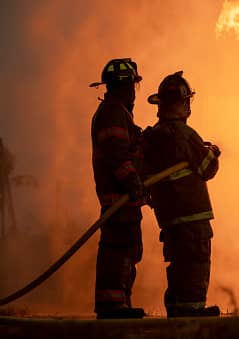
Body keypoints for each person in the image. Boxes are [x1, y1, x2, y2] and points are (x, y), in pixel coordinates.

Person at [142, 71, 221, 317]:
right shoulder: (184, 134)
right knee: (195, 265)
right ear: (183, 102)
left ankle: (177, 314)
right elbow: (207, 168)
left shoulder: (154, 136)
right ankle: (192, 317)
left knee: (179, 267)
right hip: (192, 216)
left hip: (170, 219)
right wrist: (212, 153)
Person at [89, 58, 146, 319]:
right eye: (133, 85)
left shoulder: (118, 112)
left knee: (128, 251)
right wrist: (134, 184)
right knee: (118, 250)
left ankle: (120, 305)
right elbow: (116, 155)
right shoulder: (113, 112)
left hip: (125, 199)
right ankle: (112, 308)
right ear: (125, 87)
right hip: (119, 198)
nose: (135, 91)